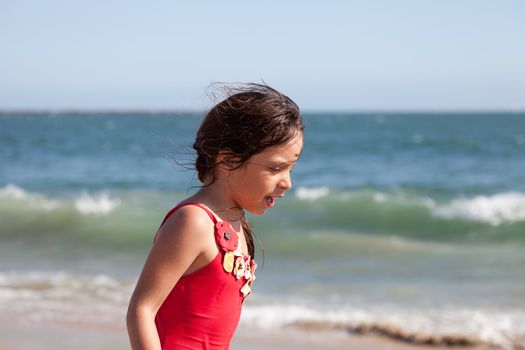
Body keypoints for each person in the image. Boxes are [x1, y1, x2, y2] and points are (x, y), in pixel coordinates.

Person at [126, 83, 304, 350]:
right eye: (276, 168)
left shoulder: (235, 221)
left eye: (290, 169)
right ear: (229, 161)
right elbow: (141, 310)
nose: (287, 182)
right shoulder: (194, 222)